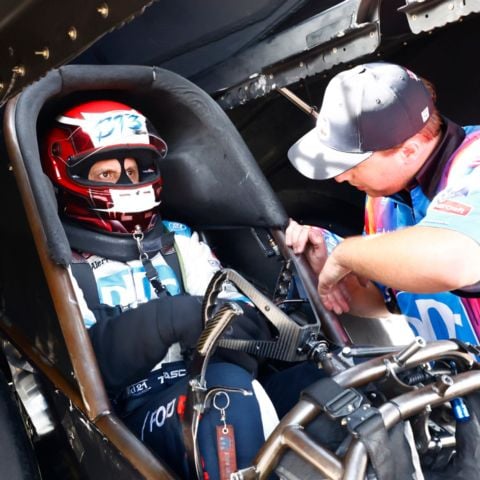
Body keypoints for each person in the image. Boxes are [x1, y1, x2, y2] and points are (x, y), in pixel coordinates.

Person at [41, 99, 278, 479]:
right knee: (225, 396)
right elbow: (84, 370)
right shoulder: (63, 264)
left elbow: (248, 329)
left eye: (132, 170)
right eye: (106, 174)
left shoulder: (179, 241)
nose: (126, 183)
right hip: (130, 417)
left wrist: (205, 321)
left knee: (315, 390)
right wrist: (171, 318)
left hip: (206, 382)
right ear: (71, 178)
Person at [286, 61, 480, 344]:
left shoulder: (474, 165)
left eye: (351, 163)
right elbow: (387, 299)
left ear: (409, 151)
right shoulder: (383, 200)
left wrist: (348, 253)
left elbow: (455, 259)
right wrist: (330, 270)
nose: (340, 177)